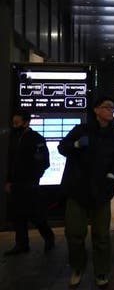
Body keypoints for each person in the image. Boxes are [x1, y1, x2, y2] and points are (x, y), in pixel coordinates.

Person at [58, 96, 114, 288]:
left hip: (102, 191)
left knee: (101, 235)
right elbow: (62, 147)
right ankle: (77, 267)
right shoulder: (81, 130)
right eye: (107, 107)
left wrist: (113, 173)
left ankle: (101, 271)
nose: (111, 110)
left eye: (113, 107)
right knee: (74, 233)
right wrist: (76, 145)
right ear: (96, 110)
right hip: (77, 189)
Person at [4, 109, 55, 256]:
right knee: (17, 215)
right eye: (13, 123)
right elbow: (11, 162)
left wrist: (34, 179)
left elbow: (44, 162)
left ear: (26, 122)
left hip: (30, 184)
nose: (14, 125)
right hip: (16, 184)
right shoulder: (14, 138)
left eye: (17, 123)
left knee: (36, 215)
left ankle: (48, 237)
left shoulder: (36, 139)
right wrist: (9, 181)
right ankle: (21, 244)